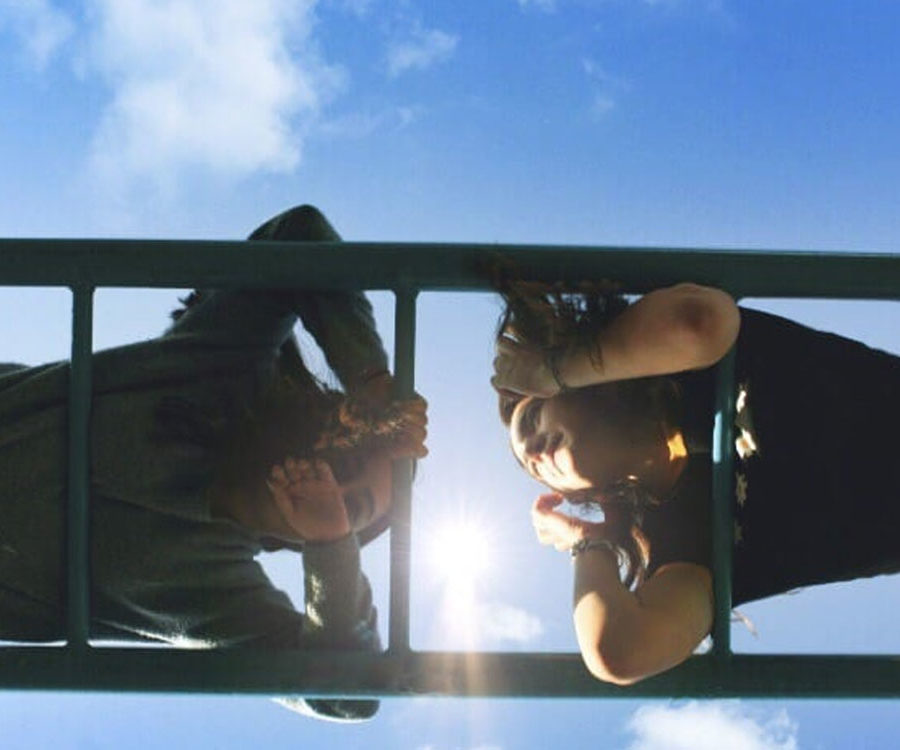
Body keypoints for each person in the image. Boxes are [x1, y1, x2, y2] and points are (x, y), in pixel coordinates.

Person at [0, 205, 427, 720]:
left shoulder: (221, 593)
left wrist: (333, 548)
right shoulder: (215, 371)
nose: (335, 486)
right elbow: (300, 234)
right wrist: (371, 377)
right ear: (335, 420)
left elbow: (350, 697)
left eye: (350, 508)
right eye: (354, 457)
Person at [491, 279, 899, 685]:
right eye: (532, 468)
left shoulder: (667, 359)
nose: (533, 450)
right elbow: (622, 652)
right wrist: (586, 543)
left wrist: (554, 368)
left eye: (531, 420)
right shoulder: (674, 542)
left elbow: (701, 323)